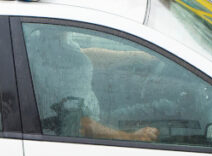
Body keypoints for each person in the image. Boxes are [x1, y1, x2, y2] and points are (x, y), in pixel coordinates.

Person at [25, 27, 160, 143]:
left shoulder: (43, 43)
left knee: (153, 109)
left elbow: (84, 55)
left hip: (96, 116)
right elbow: (83, 125)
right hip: (89, 132)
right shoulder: (58, 71)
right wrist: (131, 137)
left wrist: (132, 57)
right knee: (158, 112)